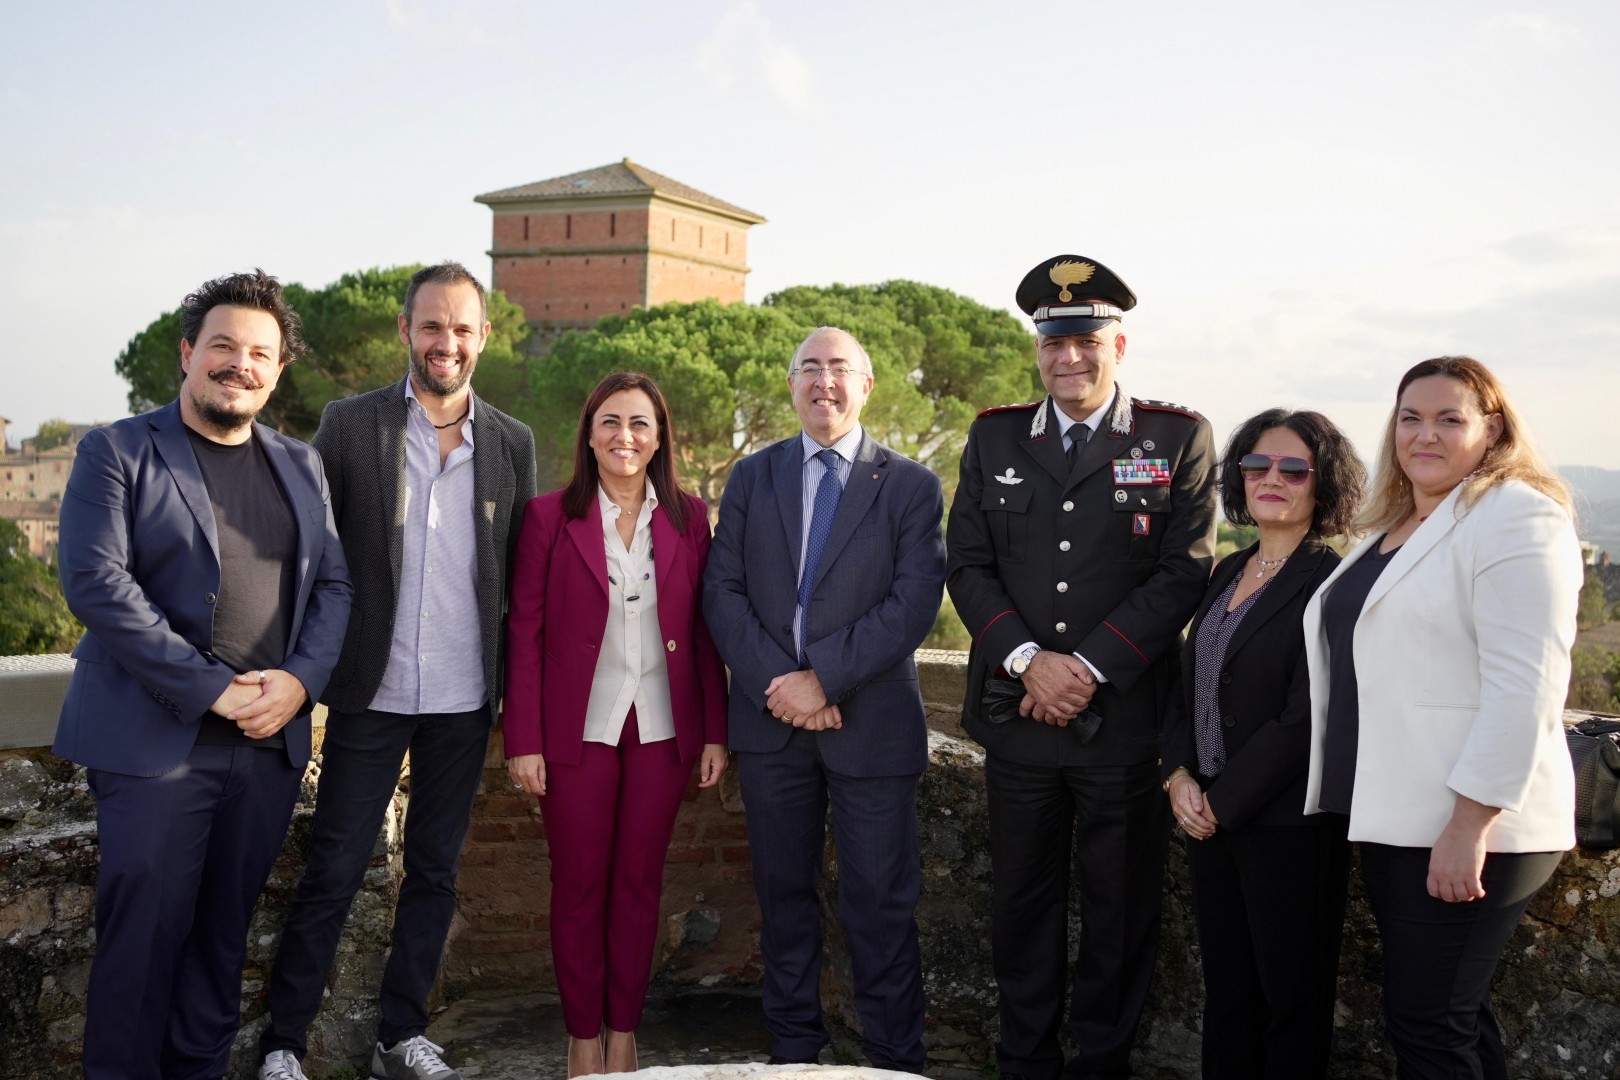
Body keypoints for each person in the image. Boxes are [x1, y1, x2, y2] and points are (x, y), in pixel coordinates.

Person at [52, 270, 352, 1080]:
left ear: (278, 370)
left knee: (222, 943)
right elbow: (97, 586)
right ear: (187, 354)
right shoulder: (116, 450)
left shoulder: (302, 466)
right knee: (141, 943)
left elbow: (333, 586)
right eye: (222, 345)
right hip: (155, 742)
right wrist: (211, 688)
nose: (239, 364)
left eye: (260, 352)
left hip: (264, 746)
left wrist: (298, 685)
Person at [258, 262, 537, 1080]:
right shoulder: (350, 428)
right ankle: (283, 1044)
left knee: (435, 872)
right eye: (431, 326)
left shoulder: (513, 442)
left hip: (464, 700)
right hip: (367, 691)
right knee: (335, 868)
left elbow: (522, 585)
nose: (445, 343)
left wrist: (516, 702)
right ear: (406, 333)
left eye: (461, 328)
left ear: (484, 337)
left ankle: (399, 1035)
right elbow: (306, 553)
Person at [945, 255, 1217, 1080]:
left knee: (1119, 912)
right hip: (1018, 720)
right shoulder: (996, 435)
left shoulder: (1175, 437)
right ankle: (1023, 1063)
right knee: (1020, 908)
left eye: (1087, 341)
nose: (1069, 358)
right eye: (1054, 342)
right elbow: (966, 562)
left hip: (1125, 729)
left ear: (1119, 345)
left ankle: (1102, 1064)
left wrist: (1087, 668)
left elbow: (1185, 569)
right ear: (1038, 348)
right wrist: (1030, 663)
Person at [1302, 356, 1581, 1079]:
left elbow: (1528, 685)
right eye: (1410, 418)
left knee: (1426, 1022)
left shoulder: (1519, 516)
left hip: (1470, 819)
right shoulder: (1397, 524)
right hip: (1400, 813)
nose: (1425, 434)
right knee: (1450, 1015)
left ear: (1492, 430)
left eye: (1449, 418)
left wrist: (1470, 822)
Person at [702, 326, 945, 1073]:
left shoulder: (908, 485)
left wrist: (823, 680)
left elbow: (912, 605)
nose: (824, 382)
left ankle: (891, 1061)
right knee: (782, 897)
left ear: (867, 386)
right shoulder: (752, 477)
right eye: (809, 368)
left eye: (840, 369)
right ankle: (795, 1053)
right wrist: (784, 687)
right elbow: (722, 591)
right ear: (790, 385)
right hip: (773, 726)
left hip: (871, 726)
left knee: (880, 906)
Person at [503, 371, 728, 1076]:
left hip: (663, 731)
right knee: (576, 885)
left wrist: (715, 732)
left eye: (639, 424)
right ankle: (581, 1037)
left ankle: (624, 1033)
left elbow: (703, 634)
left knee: (639, 884)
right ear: (588, 434)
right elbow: (526, 635)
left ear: (660, 437)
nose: (623, 437)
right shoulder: (547, 517)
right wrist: (524, 741)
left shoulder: (691, 518)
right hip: (576, 733)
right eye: (609, 422)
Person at [1160, 408, 1365, 1079]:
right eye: (1256, 465)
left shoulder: (1329, 582)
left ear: (1323, 483)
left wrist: (1226, 801)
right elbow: (1191, 684)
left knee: (1290, 1002)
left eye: (1293, 468)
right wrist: (1179, 775)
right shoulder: (1229, 570)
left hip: (1286, 826)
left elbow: (1308, 714)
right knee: (1229, 996)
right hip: (1211, 818)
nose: (1270, 478)